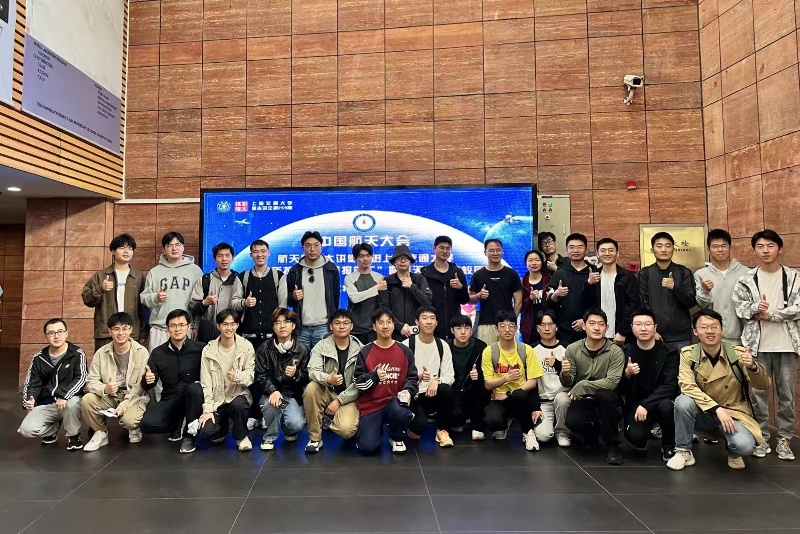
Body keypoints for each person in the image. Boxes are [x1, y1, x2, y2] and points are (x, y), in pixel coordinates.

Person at [667, 309, 770, 470]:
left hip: (734, 413)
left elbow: (764, 385)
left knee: (744, 446)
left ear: (722, 330)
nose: (710, 331)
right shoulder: (688, 355)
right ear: (695, 331)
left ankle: (733, 451)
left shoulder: (737, 354)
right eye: (704, 327)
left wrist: (752, 367)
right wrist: (717, 409)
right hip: (703, 412)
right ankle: (683, 451)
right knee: (682, 401)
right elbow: (687, 386)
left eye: (714, 327)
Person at [733, 229, 800, 461]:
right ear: (755, 250)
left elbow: (798, 308)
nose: (765, 250)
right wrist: (755, 308)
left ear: (779, 249)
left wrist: (771, 314)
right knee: (757, 395)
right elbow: (740, 308)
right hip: (757, 346)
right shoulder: (747, 279)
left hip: (787, 345)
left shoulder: (794, 277)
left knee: (787, 395)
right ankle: (760, 437)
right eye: (760, 246)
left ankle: (784, 439)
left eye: (770, 246)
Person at [560, 308, 625, 465]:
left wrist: (584, 385)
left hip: (608, 398)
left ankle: (613, 444)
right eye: (592, 323)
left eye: (601, 324)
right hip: (583, 398)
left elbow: (612, 382)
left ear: (607, 328)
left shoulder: (615, 351)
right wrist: (565, 374)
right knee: (573, 422)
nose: (597, 328)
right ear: (584, 326)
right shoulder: (573, 349)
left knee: (605, 396)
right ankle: (593, 432)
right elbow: (568, 383)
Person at [81, 312, 150, 452]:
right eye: (116, 329)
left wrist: (125, 404)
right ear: (109, 331)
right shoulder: (101, 353)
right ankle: (100, 432)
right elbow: (91, 381)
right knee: (87, 400)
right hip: (111, 396)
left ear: (131, 329)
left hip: (133, 397)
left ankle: (134, 427)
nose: (121, 333)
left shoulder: (141, 352)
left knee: (129, 421)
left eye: (125, 328)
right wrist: (105, 389)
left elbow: (140, 386)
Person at [354, 307, 418, 455]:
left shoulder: (404, 351)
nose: (385, 326)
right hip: (371, 405)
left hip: (394, 401)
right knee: (368, 448)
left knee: (401, 412)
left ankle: (396, 437)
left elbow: (412, 378)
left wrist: (408, 391)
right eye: (381, 322)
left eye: (389, 322)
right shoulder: (365, 351)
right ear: (374, 326)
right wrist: (374, 376)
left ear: (393, 325)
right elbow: (358, 382)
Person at [140, 309, 205, 454]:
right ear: (167, 328)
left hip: (195, 398)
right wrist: (148, 380)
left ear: (188, 327)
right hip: (170, 398)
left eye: (181, 325)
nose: (177, 329)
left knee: (194, 389)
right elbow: (147, 384)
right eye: (173, 325)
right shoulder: (158, 353)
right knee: (147, 425)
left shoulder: (201, 349)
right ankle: (177, 421)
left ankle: (189, 436)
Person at [18, 318, 87, 450]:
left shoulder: (76, 354)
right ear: (46, 336)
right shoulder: (39, 358)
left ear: (66, 334)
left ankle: (73, 436)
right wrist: (30, 398)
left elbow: (81, 378)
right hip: (47, 402)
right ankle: (51, 431)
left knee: (72, 403)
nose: (56, 336)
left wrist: (64, 396)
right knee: (26, 430)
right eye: (51, 333)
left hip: (68, 401)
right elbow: (31, 382)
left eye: (60, 331)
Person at [482, 310, 545, 452]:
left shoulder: (526, 350)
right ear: (496, 329)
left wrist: (508, 393)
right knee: (492, 421)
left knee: (520, 394)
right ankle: (504, 424)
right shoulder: (489, 351)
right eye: (503, 326)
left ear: (516, 328)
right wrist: (506, 378)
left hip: (519, 397)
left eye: (511, 326)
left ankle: (528, 432)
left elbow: (533, 382)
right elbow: (488, 384)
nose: (507, 329)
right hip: (498, 399)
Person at [620, 309, 679, 461]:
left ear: (655, 327)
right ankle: (643, 434)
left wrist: (646, 404)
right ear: (632, 327)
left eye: (647, 324)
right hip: (636, 404)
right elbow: (619, 388)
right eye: (638, 324)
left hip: (660, 401)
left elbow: (671, 385)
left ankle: (668, 444)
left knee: (667, 406)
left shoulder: (669, 351)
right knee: (637, 438)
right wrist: (627, 373)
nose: (643, 328)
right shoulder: (625, 351)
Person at [303, 309, 363, 453]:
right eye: (337, 323)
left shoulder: (361, 349)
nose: (341, 326)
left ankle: (326, 419)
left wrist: (339, 401)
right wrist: (328, 379)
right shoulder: (321, 346)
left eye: (345, 323)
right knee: (311, 388)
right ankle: (315, 439)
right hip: (327, 392)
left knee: (347, 430)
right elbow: (312, 371)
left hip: (349, 397)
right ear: (331, 326)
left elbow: (361, 382)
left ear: (351, 326)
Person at [197, 309, 256, 452]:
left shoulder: (246, 346)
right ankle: (221, 429)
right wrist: (208, 410)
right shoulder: (208, 350)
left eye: (232, 324)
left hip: (237, 395)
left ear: (237, 325)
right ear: (218, 326)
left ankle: (241, 437)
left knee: (239, 405)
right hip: (217, 399)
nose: (229, 328)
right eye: (225, 324)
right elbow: (206, 383)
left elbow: (251, 376)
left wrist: (237, 377)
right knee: (206, 432)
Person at [254, 308, 309, 450]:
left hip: (291, 395)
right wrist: (272, 390)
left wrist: (296, 374)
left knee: (295, 423)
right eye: (277, 323)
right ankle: (269, 437)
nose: (282, 326)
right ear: (273, 327)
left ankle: (288, 428)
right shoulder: (264, 348)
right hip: (270, 394)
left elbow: (307, 377)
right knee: (272, 405)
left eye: (286, 322)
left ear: (293, 325)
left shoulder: (302, 349)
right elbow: (260, 376)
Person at [81, 233, 146, 352]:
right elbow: (86, 299)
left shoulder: (139, 277)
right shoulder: (101, 275)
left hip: (131, 333)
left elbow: (144, 307)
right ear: (113, 251)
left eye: (130, 248)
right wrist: (100, 289)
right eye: (122, 248)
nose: (126, 251)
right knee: (104, 363)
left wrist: (143, 330)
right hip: (106, 333)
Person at [403, 305, 455, 447]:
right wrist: (418, 377)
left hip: (433, 393)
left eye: (432, 318)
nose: (429, 322)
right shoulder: (407, 345)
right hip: (414, 395)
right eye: (424, 318)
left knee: (446, 390)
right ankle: (412, 426)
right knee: (418, 429)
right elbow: (400, 377)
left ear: (436, 323)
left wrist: (436, 381)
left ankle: (442, 431)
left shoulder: (442, 345)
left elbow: (450, 376)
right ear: (417, 322)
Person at [141, 232, 203, 349]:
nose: (174, 248)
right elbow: (144, 299)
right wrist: (156, 297)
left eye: (177, 244)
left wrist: (196, 325)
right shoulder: (155, 272)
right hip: (160, 328)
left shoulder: (195, 271)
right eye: (169, 245)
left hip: (185, 328)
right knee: (157, 360)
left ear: (183, 247)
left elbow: (199, 302)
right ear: (164, 249)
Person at [638, 232, 697, 353]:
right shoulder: (645, 273)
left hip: (681, 336)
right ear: (652, 250)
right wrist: (652, 330)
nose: (664, 250)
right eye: (659, 246)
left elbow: (690, 302)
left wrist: (674, 288)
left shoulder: (683, 272)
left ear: (673, 249)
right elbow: (643, 305)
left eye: (668, 246)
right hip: (654, 335)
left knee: (682, 365)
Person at [284, 230, 340, 349]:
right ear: (303, 248)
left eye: (316, 245)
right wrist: (293, 296)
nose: (312, 249)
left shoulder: (331, 269)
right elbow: (286, 299)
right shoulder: (295, 271)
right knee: (299, 359)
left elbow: (335, 299)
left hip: (323, 327)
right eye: (308, 246)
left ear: (321, 247)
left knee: (324, 359)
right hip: (301, 328)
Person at [694, 229, 748, 346]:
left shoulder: (745, 273)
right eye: (715, 246)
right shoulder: (701, 274)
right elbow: (702, 305)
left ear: (730, 248)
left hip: (740, 338)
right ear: (708, 250)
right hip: (711, 338)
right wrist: (705, 290)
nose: (720, 250)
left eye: (724, 246)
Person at [469, 239, 523, 345]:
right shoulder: (478, 275)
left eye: (498, 250)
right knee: (487, 354)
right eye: (491, 250)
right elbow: (470, 300)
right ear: (485, 253)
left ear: (502, 252)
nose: (495, 253)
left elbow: (519, 302)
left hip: (507, 324)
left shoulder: (512, 274)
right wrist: (479, 295)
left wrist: (512, 320)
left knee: (509, 354)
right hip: (485, 324)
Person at [547, 233, 598, 346]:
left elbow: (599, 302)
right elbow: (549, 302)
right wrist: (556, 294)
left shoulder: (594, 272)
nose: (576, 250)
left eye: (580, 247)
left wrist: (586, 320)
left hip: (590, 328)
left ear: (586, 249)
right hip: (564, 330)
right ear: (566, 250)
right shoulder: (560, 273)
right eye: (572, 247)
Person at [530, 310, 571, 447]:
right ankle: (549, 426)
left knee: (562, 399)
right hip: (544, 401)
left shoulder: (567, 348)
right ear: (537, 328)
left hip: (563, 398)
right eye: (543, 325)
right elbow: (531, 382)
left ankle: (562, 432)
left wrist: (557, 365)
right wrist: (535, 406)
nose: (547, 328)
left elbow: (573, 377)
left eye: (550, 324)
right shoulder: (532, 350)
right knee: (543, 436)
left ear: (556, 327)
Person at [190, 242, 245, 343]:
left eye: (227, 255)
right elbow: (192, 307)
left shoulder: (239, 280)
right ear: (215, 259)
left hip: (232, 334)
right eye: (220, 256)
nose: (224, 259)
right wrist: (205, 303)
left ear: (232, 258)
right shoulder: (205, 279)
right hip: (207, 333)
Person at [238, 239, 287, 350]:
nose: (259, 255)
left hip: (272, 336)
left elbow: (282, 307)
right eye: (256, 252)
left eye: (263, 251)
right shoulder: (243, 277)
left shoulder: (278, 276)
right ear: (251, 255)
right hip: (248, 336)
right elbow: (234, 303)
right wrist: (245, 303)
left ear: (269, 253)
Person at [379, 244, 433, 341]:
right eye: (399, 258)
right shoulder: (387, 281)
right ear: (394, 262)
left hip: (417, 333)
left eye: (406, 258)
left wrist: (412, 287)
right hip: (393, 333)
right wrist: (399, 326)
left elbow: (428, 303)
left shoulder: (419, 279)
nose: (403, 261)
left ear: (411, 262)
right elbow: (384, 308)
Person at [591, 238, 639, 346]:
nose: (607, 253)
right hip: (597, 331)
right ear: (597, 254)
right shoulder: (593, 276)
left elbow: (633, 305)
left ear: (617, 253)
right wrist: (588, 284)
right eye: (603, 250)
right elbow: (586, 303)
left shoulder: (627, 276)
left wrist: (623, 331)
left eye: (611, 250)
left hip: (620, 334)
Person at [448, 314, 489, 441]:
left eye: (466, 328)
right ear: (452, 330)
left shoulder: (480, 346)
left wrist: (479, 375)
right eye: (458, 328)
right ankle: (461, 417)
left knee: (483, 386)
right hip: (453, 389)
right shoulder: (446, 346)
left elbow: (488, 372)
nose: (463, 332)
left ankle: (477, 425)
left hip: (472, 389)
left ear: (471, 330)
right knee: (456, 422)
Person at [420, 236, 469, 339]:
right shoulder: (425, 273)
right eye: (441, 248)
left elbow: (465, 300)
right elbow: (422, 302)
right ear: (434, 248)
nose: (445, 251)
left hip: (454, 326)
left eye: (448, 248)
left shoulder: (457, 272)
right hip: (433, 326)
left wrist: (460, 288)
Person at [344, 243, 385, 344]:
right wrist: (376, 288)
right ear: (355, 259)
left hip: (374, 328)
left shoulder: (379, 277)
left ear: (372, 257)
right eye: (361, 256)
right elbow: (354, 298)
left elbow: (383, 303)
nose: (365, 259)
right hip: (355, 328)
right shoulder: (350, 278)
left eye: (368, 255)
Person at [519, 249, 551, 347]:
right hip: (529, 327)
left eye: (537, 260)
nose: (534, 263)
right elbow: (520, 307)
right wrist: (530, 298)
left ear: (541, 262)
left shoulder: (549, 279)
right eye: (530, 260)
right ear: (526, 263)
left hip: (548, 325)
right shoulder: (522, 282)